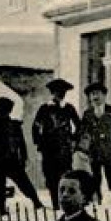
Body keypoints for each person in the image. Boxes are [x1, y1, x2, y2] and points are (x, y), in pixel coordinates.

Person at [31, 78, 81, 210]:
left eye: (61, 93)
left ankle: (65, 203)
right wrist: (40, 143)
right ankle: (55, 204)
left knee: (65, 176)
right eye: (56, 93)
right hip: (49, 149)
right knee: (51, 177)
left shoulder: (69, 108)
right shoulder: (45, 109)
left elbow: (79, 126)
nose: (59, 95)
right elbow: (36, 127)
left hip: (64, 149)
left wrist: (72, 139)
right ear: (52, 93)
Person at [0, 97, 43, 215]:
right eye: (0, 108)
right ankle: (2, 209)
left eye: (5, 109)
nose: (2, 111)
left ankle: (37, 202)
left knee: (24, 183)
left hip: (11, 160)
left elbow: (21, 143)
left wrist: (23, 158)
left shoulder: (14, 126)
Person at [79, 82, 111, 197]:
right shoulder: (87, 114)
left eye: (97, 93)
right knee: (95, 181)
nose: (95, 97)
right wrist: (85, 147)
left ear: (104, 95)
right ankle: (98, 204)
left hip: (110, 154)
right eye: (92, 94)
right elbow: (81, 132)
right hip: (94, 153)